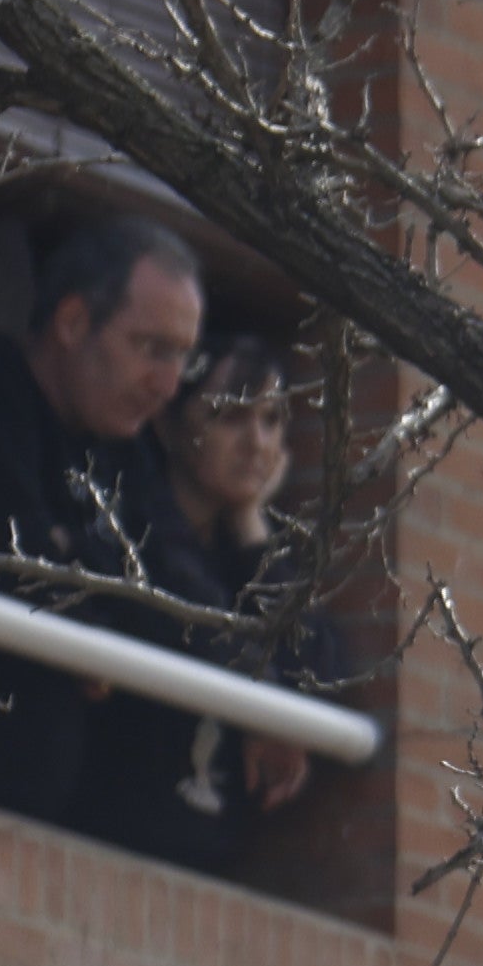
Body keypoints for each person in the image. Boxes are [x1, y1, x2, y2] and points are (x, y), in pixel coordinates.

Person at [0, 213, 230, 857]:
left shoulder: (126, 456)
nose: (169, 386)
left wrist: (83, 582)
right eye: (151, 348)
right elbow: (17, 569)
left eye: (183, 357)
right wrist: (101, 596)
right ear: (72, 322)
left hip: (54, 844)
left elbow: (194, 609)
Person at [121, 328, 325, 874]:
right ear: (167, 424)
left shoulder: (247, 557)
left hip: (212, 867)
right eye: (231, 417)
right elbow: (187, 614)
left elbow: (317, 670)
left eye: (272, 420)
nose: (257, 443)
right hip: (115, 840)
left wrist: (250, 522)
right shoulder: (131, 534)